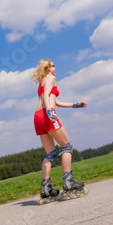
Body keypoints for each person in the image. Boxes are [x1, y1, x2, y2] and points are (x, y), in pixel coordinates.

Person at [31, 59, 87, 199]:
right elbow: (47, 97)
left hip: (38, 117)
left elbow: (56, 101)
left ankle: (46, 188)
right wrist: (50, 111)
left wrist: (75, 104)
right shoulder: (51, 78)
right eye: (53, 65)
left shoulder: (42, 82)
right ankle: (68, 183)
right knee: (66, 147)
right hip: (46, 115)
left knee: (50, 153)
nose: (55, 67)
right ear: (48, 68)